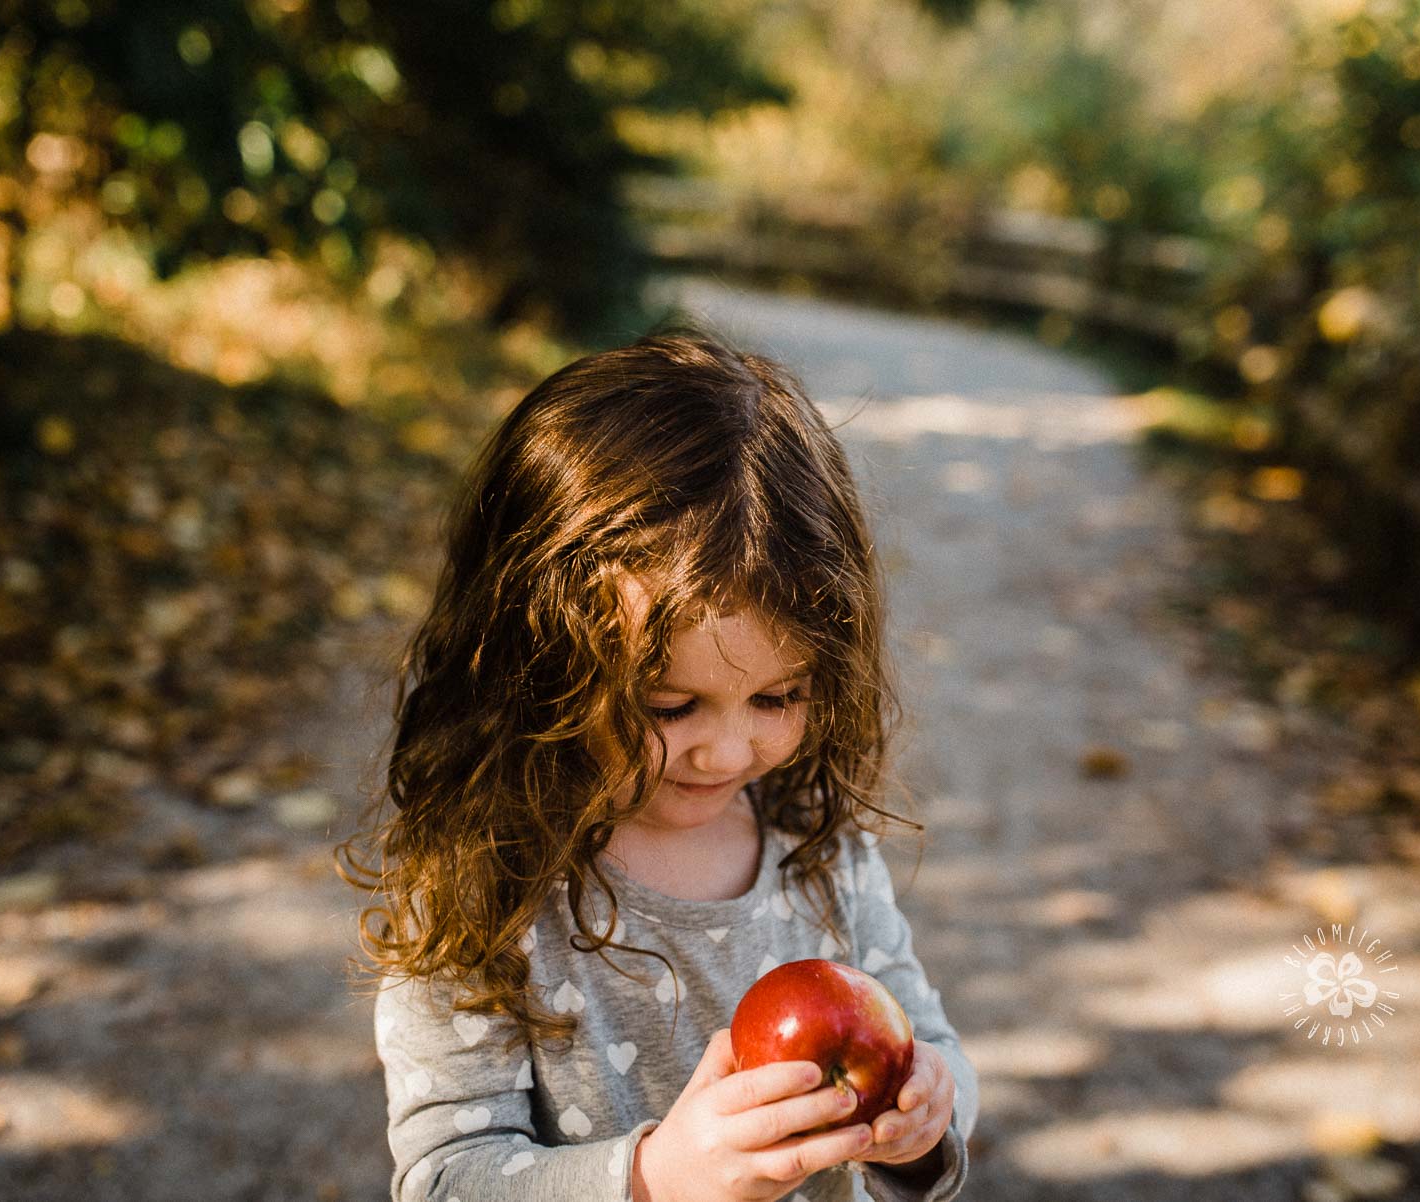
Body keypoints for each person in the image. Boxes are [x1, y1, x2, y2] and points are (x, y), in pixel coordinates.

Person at [338, 327, 979, 1201]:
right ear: (538, 662)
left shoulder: (818, 852)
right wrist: (651, 1179)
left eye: (777, 698)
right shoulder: (486, 887)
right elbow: (448, 1178)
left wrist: (923, 1127)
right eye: (668, 707)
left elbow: (930, 1049)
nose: (727, 751)